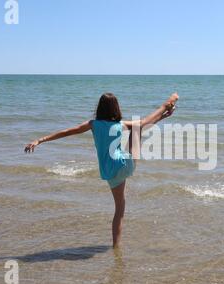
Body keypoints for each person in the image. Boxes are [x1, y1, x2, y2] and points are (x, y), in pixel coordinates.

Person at [25, 93, 179, 248]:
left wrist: (40, 140)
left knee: (119, 210)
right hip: (124, 165)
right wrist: (163, 112)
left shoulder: (93, 124)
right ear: (116, 108)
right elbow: (144, 123)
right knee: (137, 129)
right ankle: (167, 103)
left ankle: (115, 247)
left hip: (109, 173)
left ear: (99, 108)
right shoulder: (120, 125)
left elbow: (67, 132)